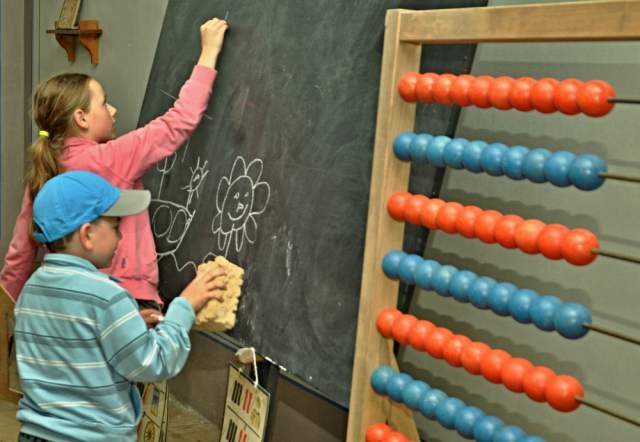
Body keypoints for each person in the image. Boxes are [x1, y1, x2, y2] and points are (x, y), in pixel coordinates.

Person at [0, 17, 228, 326]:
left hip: (69, 303)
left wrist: (5, 321)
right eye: (104, 104)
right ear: (81, 118)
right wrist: (208, 53)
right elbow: (179, 121)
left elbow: (20, 254)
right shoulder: (112, 158)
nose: (113, 110)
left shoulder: (44, 170)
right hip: (126, 301)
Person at [14, 171, 227, 442]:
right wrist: (184, 306)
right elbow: (154, 363)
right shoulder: (107, 296)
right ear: (87, 234)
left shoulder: (30, 291)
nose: (121, 237)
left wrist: (126, 325)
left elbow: (73, 342)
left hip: (34, 435)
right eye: (115, 227)